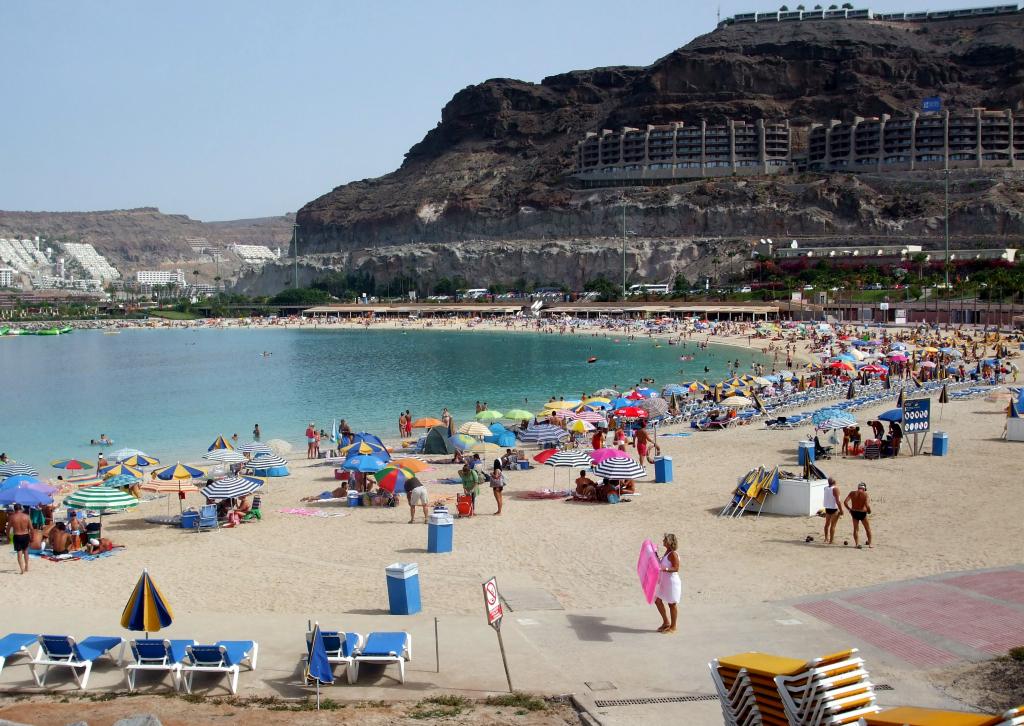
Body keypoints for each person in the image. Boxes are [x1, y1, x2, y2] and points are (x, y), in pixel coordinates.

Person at [655, 533, 682, 634]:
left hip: (672, 583)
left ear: (670, 542)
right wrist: (655, 555)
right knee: (657, 600)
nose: (663, 541)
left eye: (665, 540)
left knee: (672, 604)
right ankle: (666, 622)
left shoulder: (673, 554)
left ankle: (673, 626)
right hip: (664, 582)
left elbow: (676, 568)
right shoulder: (667, 552)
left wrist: (664, 569)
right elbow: (660, 564)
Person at [843, 482, 874, 549]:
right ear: (864, 489)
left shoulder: (852, 493)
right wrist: (869, 511)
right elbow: (867, 505)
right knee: (867, 528)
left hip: (854, 512)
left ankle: (857, 544)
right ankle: (870, 544)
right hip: (862, 513)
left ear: (858, 488)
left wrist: (849, 509)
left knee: (856, 529)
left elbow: (845, 502)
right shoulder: (865, 494)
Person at [6, 504, 31, 574]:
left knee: (19, 552)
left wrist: (8, 537)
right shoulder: (27, 516)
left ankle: (22, 569)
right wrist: (32, 536)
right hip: (26, 535)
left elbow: (8, 529)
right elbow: (31, 528)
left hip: (17, 535)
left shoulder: (12, 517)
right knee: (26, 551)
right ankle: (27, 566)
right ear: (21, 509)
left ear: (14, 509)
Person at [822, 477, 843, 545]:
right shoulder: (835, 489)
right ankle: (831, 540)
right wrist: (841, 510)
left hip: (827, 508)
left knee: (827, 524)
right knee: (833, 525)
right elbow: (838, 501)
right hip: (834, 509)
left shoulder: (825, 488)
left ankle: (826, 538)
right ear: (834, 482)